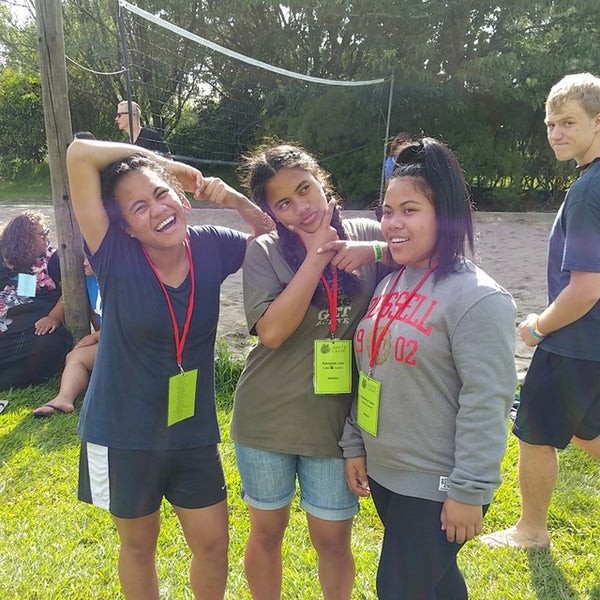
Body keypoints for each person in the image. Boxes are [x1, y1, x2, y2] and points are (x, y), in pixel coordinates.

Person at [66, 137, 273, 599]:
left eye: (162, 194)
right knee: (139, 546)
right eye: (139, 207)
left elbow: (276, 242)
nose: (158, 210)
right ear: (125, 227)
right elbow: (79, 153)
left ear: (182, 200)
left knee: (214, 545)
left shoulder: (211, 245)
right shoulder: (114, 255)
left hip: (190, 429)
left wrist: (236, 200)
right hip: (124, 432)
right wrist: (166, 166)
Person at [340, 137, 517, 600]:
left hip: (437, 483)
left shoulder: (479, 298)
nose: (392, 223)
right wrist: (355, 443)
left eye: (409, 210)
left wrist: (469, 489)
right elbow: (371, 370)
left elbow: (487, 400)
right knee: (437, 585)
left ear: (446, 215)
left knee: (397, 587)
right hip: (386, 473)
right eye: (387, 211)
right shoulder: (392, 281)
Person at [230, 143, 393, 600]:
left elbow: (426, 248)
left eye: (305, 189)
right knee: (267, 532)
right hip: (267, 418)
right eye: (284, 203)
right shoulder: (264, 252)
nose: (301, 207)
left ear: (321, 181)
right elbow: (272, 332)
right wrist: (318, 254)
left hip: (335, 423)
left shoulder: (365, 232)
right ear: (272, 212)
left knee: (333, 540)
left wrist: (373, 249)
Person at [481, 73, 600, 549]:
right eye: (551, 124)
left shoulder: (588, 191)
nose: (556, 133)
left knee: (535, 433)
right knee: (587, 432)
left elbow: (586, 288)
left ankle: (531, 531)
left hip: (575, 340)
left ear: (598, 121)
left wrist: (538, 327)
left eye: (568, 122)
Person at [0, 211, 72, 390]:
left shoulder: (53, 259)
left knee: (49, 345)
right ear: (23, 239)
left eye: (47, 232)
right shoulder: (3, 258)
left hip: (34, 330)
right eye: (42, 234)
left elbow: (69, 292)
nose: (47, 238)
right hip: (5, 329)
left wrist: (54, 317)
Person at [32, 257, 102, 417]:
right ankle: (64, 398)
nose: (83, 262)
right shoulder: (88, 280)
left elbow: (132, 321)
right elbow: (68, 297)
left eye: (89, 257)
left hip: (134, 343)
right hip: (111, 341)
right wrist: (53, 317)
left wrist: (96, 336)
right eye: (83, 257)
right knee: (75, 357)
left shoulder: (124, 281)